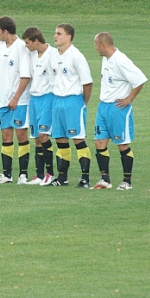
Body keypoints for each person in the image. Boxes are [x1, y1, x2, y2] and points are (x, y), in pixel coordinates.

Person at [91, 32, 147, 191]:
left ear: (103, 45)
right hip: (103, 107)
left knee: (122, 145)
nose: (95, 49)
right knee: (99, 142)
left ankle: (127, 181)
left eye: (96, 45)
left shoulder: (121, 60)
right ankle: (105, 180)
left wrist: (129, 98)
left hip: (118, 109)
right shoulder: (105, 59)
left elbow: (140, 79)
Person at [48, 23, 93, 187]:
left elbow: (87, 82)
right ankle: (62, 178)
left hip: (73, 101)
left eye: (59, 33)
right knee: (60, 140)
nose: (55, 36)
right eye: (55, 33)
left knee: (78, 139)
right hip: (57, 101)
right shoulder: (53, 56)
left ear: (69, 37)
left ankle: (85, 178)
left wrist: (83, 102)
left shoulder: (76, 56)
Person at [0, 16, 31, 185]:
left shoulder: (22, 48)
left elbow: (25, 76)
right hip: (3, 100)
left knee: (21, 135)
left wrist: (15, 97)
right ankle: (7, 175)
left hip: (19, 101)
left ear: (6, 31)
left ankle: (23, 174)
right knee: (6, 136)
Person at [22, 27, 56, 186]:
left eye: (28, 42)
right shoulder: (32, 55)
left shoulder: (53, 54)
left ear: (36, 41)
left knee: (44, 135)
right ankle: (40, 174)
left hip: (48, 98)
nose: (26, 45)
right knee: (36, 138)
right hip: (34, 99)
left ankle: (51, 174)